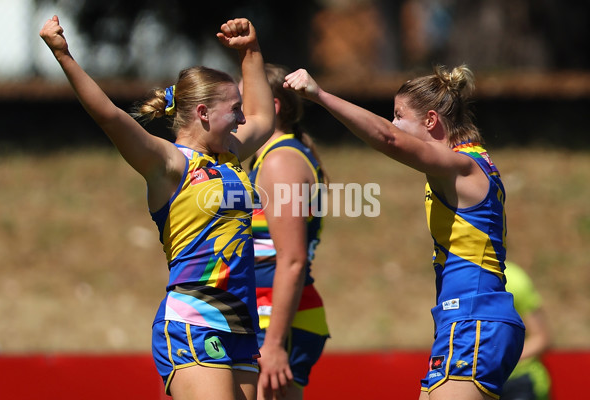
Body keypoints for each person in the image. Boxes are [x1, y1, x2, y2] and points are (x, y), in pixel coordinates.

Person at [40, 15, 275, 400]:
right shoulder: (169, 164)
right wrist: (63, 55)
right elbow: (109, 116)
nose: (242, 117)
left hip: (240, 323)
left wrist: (250, 51)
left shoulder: (230, 153)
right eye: (234, 109)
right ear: (202, 113)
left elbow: (264, 118)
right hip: (194, 321)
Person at [283, 65, 525, 400]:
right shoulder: (467, 161)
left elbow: (387, 138)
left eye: (398, 115)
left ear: (430, 120)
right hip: (465, 318)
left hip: (473, 316)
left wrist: (320, 96)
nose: (393, 123)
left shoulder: (462, 166)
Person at [247, 64, 330, 400]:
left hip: (279, 323)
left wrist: (275, 344)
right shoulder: (269, 157)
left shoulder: (281, 161)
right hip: (269, 317)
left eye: (240, 100)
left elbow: (293, 260)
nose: (236, 110)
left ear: (273, 106)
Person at [502, 261, 552, 400]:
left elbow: (541, 338)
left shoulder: (514, 280)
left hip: (520, 382)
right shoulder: (456, 278)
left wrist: (501, 360)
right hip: (475, 379)